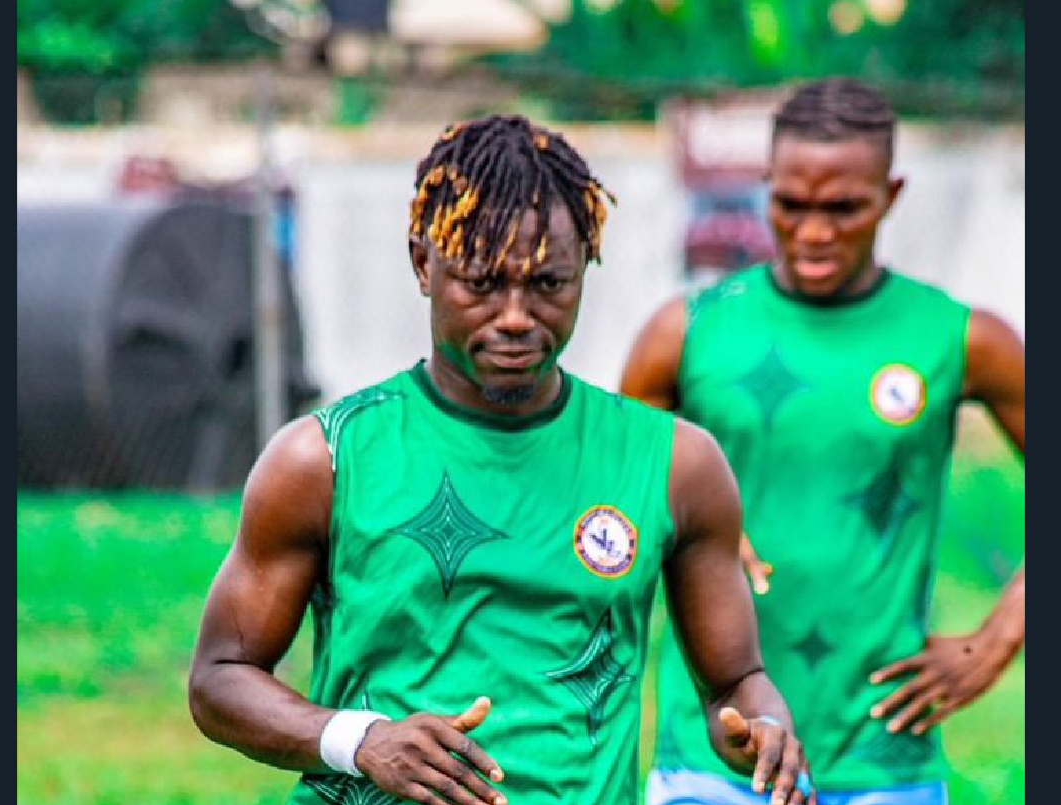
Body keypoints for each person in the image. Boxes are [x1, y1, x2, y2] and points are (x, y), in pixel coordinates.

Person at [188, 114, 817, 805]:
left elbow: (736, 681)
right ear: (423, 264)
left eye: (549, 283)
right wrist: (361, 739)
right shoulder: (324, 459)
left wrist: (763, 726)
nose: (516, 315)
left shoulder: (675, 464)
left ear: (585, 267)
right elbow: (220, 677)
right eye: (482, 283)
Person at [621, 78, 1025, 805]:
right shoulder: (687, 333)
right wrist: (691, 527)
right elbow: (609, 504)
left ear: (890, 196)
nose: (813, 231)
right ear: (767, 185)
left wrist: (995, 638)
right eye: (791, 204)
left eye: (843, 208)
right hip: (713, 755)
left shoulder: (960, 337)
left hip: (881, 760)